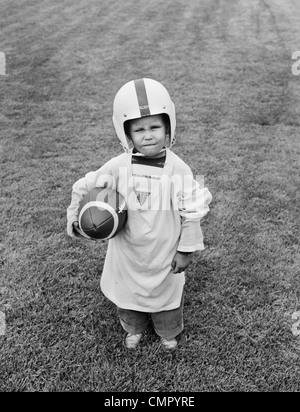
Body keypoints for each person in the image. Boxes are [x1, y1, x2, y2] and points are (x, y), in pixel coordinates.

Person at [67, 78, 212, 350]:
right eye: (139, 129)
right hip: (128, 250)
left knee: (166, 295)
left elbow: (192, 211)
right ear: (126, 134)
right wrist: (78, 218)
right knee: (128, 293)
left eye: (156, 127)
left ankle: (167, 331)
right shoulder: (118, 165)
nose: (148, 135)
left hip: (164, 249)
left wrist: (186, 250)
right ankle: (133, 328)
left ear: (169, 126)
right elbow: (88, 185)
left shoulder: (179, 168)